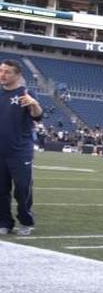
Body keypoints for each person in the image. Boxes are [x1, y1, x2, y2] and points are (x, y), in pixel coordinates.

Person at [0, 59, 43, 236]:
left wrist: (33, 103)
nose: (2, 74)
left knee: (22, 187)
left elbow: (37, 116)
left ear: (18, 75)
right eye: (1, 71)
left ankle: (26, 221)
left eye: (7, 72)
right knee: (1, 190)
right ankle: (4, 222)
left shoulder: (26, 93)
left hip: (20, 150)